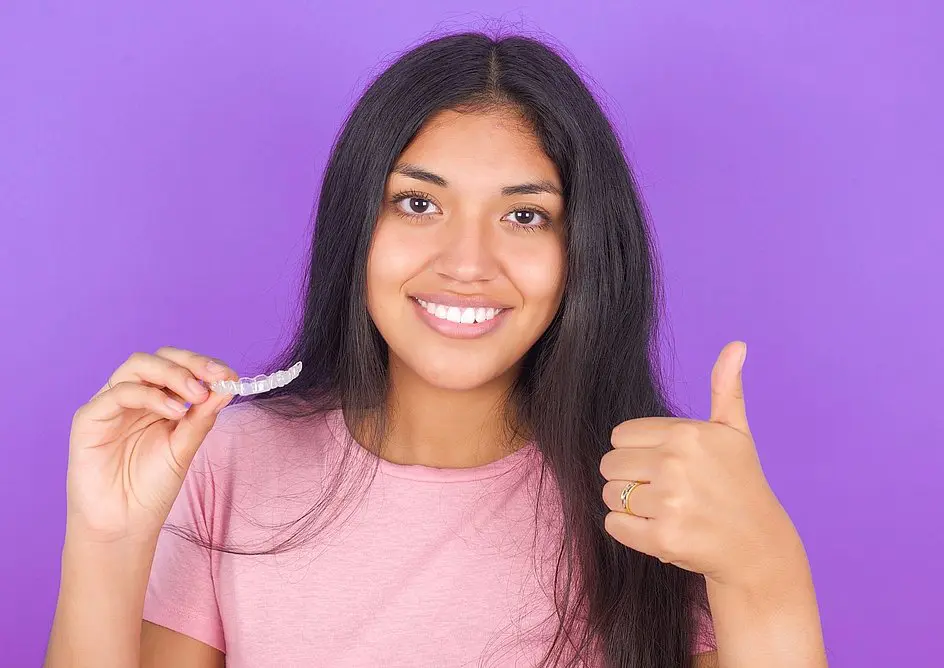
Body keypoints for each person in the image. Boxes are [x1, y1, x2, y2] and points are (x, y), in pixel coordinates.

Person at [45, 31, 827, 668]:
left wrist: (767, 569)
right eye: (418, 203)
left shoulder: (659, 497)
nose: (466, 262)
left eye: (525, 217)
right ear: (358, 229)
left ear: (585, 251)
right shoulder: (231, 462)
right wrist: (108, 541)